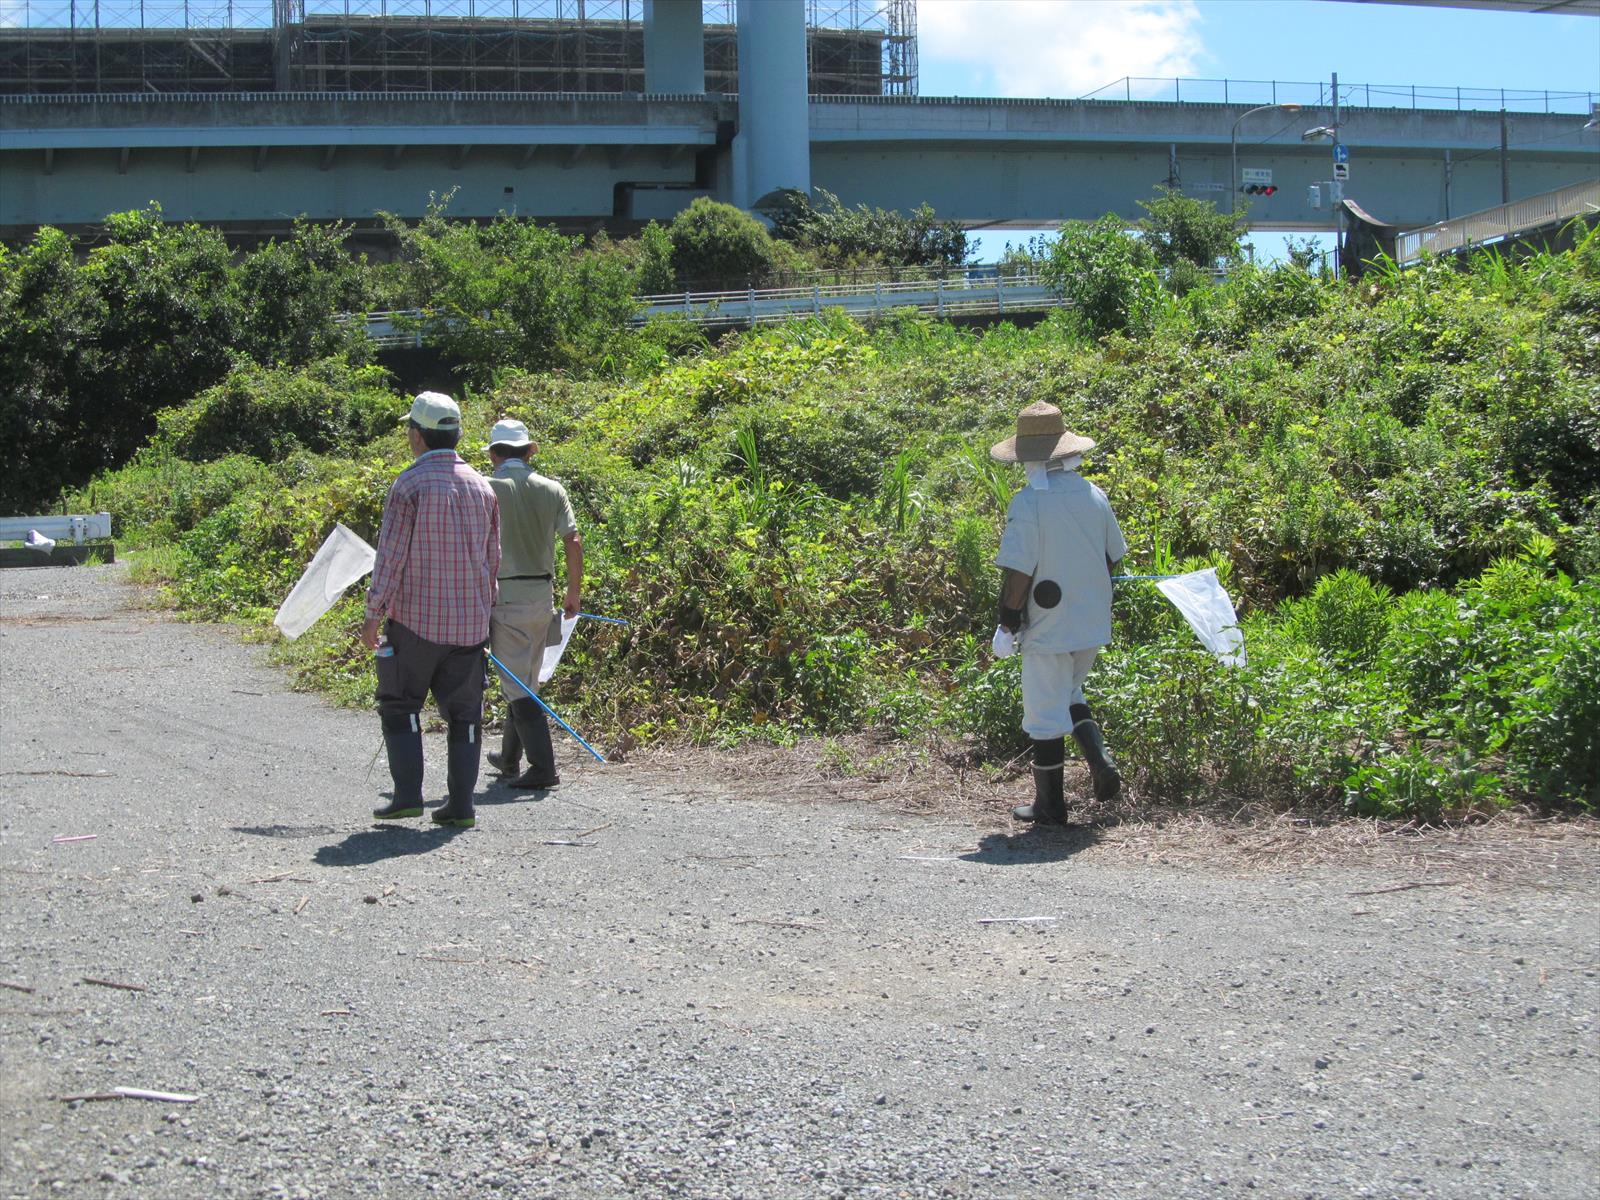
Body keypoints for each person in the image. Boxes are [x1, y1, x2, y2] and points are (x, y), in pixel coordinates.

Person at [361, 392, 500, 829]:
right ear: (456, 435)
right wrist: (483, 614)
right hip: (469, 628)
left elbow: (391, 556)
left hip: (415, 623)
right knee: (465, 716)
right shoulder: (482, 486)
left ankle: (406, 797)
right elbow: (492, 560)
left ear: (418, 436)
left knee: (399, 703)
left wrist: (373, 612)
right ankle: (461, 807)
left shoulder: (409, 485)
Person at [989, 401, 1127, 825]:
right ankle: (1101, 762)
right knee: (1069, 695)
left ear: (1029, 456)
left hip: (1048, 621)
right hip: (1091, 618)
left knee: (1043, 714)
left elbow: (1018, 571)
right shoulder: (1094, 494)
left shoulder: (1029, 502)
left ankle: (1051, 805)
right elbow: (1112, 558)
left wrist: (1008, 620)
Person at [481, 417, 583, 790]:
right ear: (529, 451)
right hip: (543, 595)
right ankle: (509, 759)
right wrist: (574, 592)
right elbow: (573, 540)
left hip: (503, 596)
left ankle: (543, 767)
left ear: (494, 454)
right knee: (524, 680)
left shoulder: (484, 488)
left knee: (517, 684)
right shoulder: (551, 488)